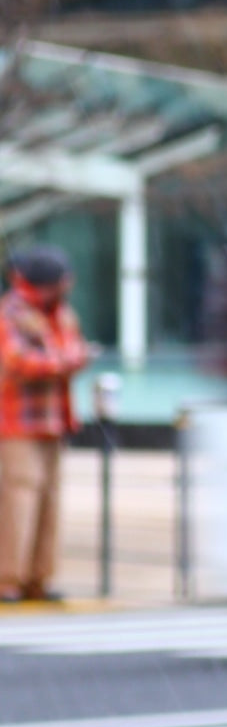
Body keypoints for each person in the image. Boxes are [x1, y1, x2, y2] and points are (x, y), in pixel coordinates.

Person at [0, 245, 95, 604]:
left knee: (49, 499)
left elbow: (75, 351)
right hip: (17, 420)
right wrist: (63, 359)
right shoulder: (12, 312)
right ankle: (8, 578)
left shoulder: (59, 313)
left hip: (54, 418)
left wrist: (59, 356)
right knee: (19, 497)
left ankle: (39, 578)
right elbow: (19, 361)